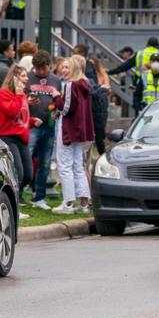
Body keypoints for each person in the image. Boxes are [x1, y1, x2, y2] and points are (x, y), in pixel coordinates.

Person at [52, 55, 95, 214]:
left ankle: (68, 203)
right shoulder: (85, 83)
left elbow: (66, 108)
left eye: (67, 67)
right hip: (81, 130)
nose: (64, 70)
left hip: (69, 129)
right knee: (78, 166)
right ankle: (84, 203)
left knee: (64, 166)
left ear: (74, 69)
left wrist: (56, 96)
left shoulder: (70, 85)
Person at [25, 51, 61, 210]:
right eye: (38, 69)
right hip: (31, 125)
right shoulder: (27, 78)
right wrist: (28, 104)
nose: (41, 72)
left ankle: (39, 197)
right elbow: (20, 100)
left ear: (49, 66)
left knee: (45, 163)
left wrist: (56, 112)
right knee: (27, 159)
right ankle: (19, 194)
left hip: (49, 125)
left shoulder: (55, 80)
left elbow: (59, 101)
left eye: (43, 68)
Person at [0, 65, 34, 209]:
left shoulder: (22, 94)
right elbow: (12, 112)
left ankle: (19, 195)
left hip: (22, 138)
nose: (27, 79)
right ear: (15, 77)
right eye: (23, 76)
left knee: (28, 174)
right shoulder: (3, 94)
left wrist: (32, 121)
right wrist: (18, 95)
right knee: (18, 171)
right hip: (8, 137)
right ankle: (15, 203)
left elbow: (21, 116)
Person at [108, 38, 159, 113]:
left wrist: (110, 72)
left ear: (147, 45)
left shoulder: (140, 53)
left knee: (140, 110)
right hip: (158, 84)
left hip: (140, 83)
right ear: (157, 46)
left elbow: (124, 66)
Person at [90, 56, 112, 155]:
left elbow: (107, 89)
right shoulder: (88, 76)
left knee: (100, 132)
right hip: (92, 105)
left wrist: (101, 89)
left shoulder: (102, 74)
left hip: (101, 105)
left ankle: (102, 151)